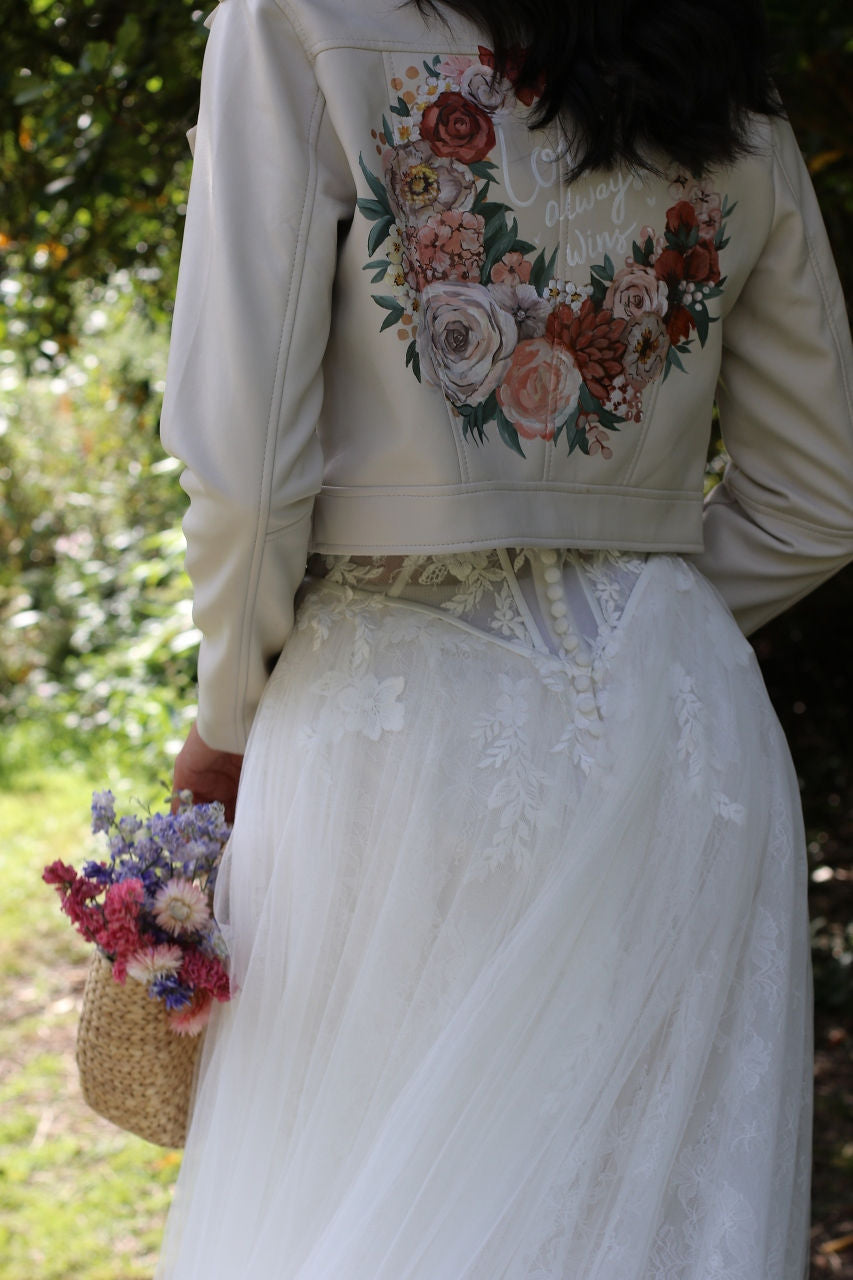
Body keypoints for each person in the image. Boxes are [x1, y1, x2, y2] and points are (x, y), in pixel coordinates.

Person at [155, 0, 853, 1274]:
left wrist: (228, 718)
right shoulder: (713, 63)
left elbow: (248, 473)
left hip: (395, 729)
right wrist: (652, 625)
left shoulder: (297, 19)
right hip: (685, 743)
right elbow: (821, 498)